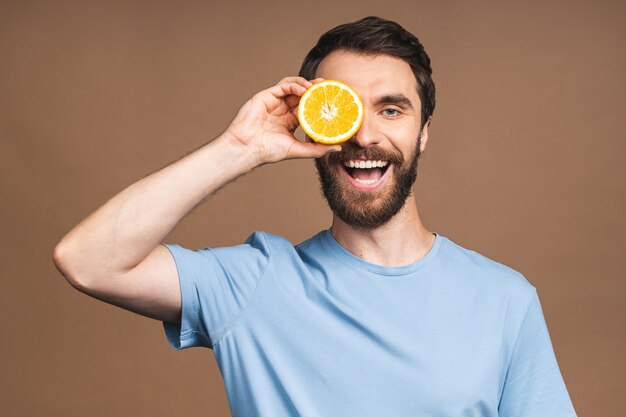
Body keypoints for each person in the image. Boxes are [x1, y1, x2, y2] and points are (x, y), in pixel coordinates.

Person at [53, 16, 577, 417]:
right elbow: (88, 261)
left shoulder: (505, 301)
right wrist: (238, 148)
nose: (365, 136)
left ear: (423, 134)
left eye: (391, 110)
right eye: (345, 107)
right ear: (313, 125)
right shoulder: (253, 284)